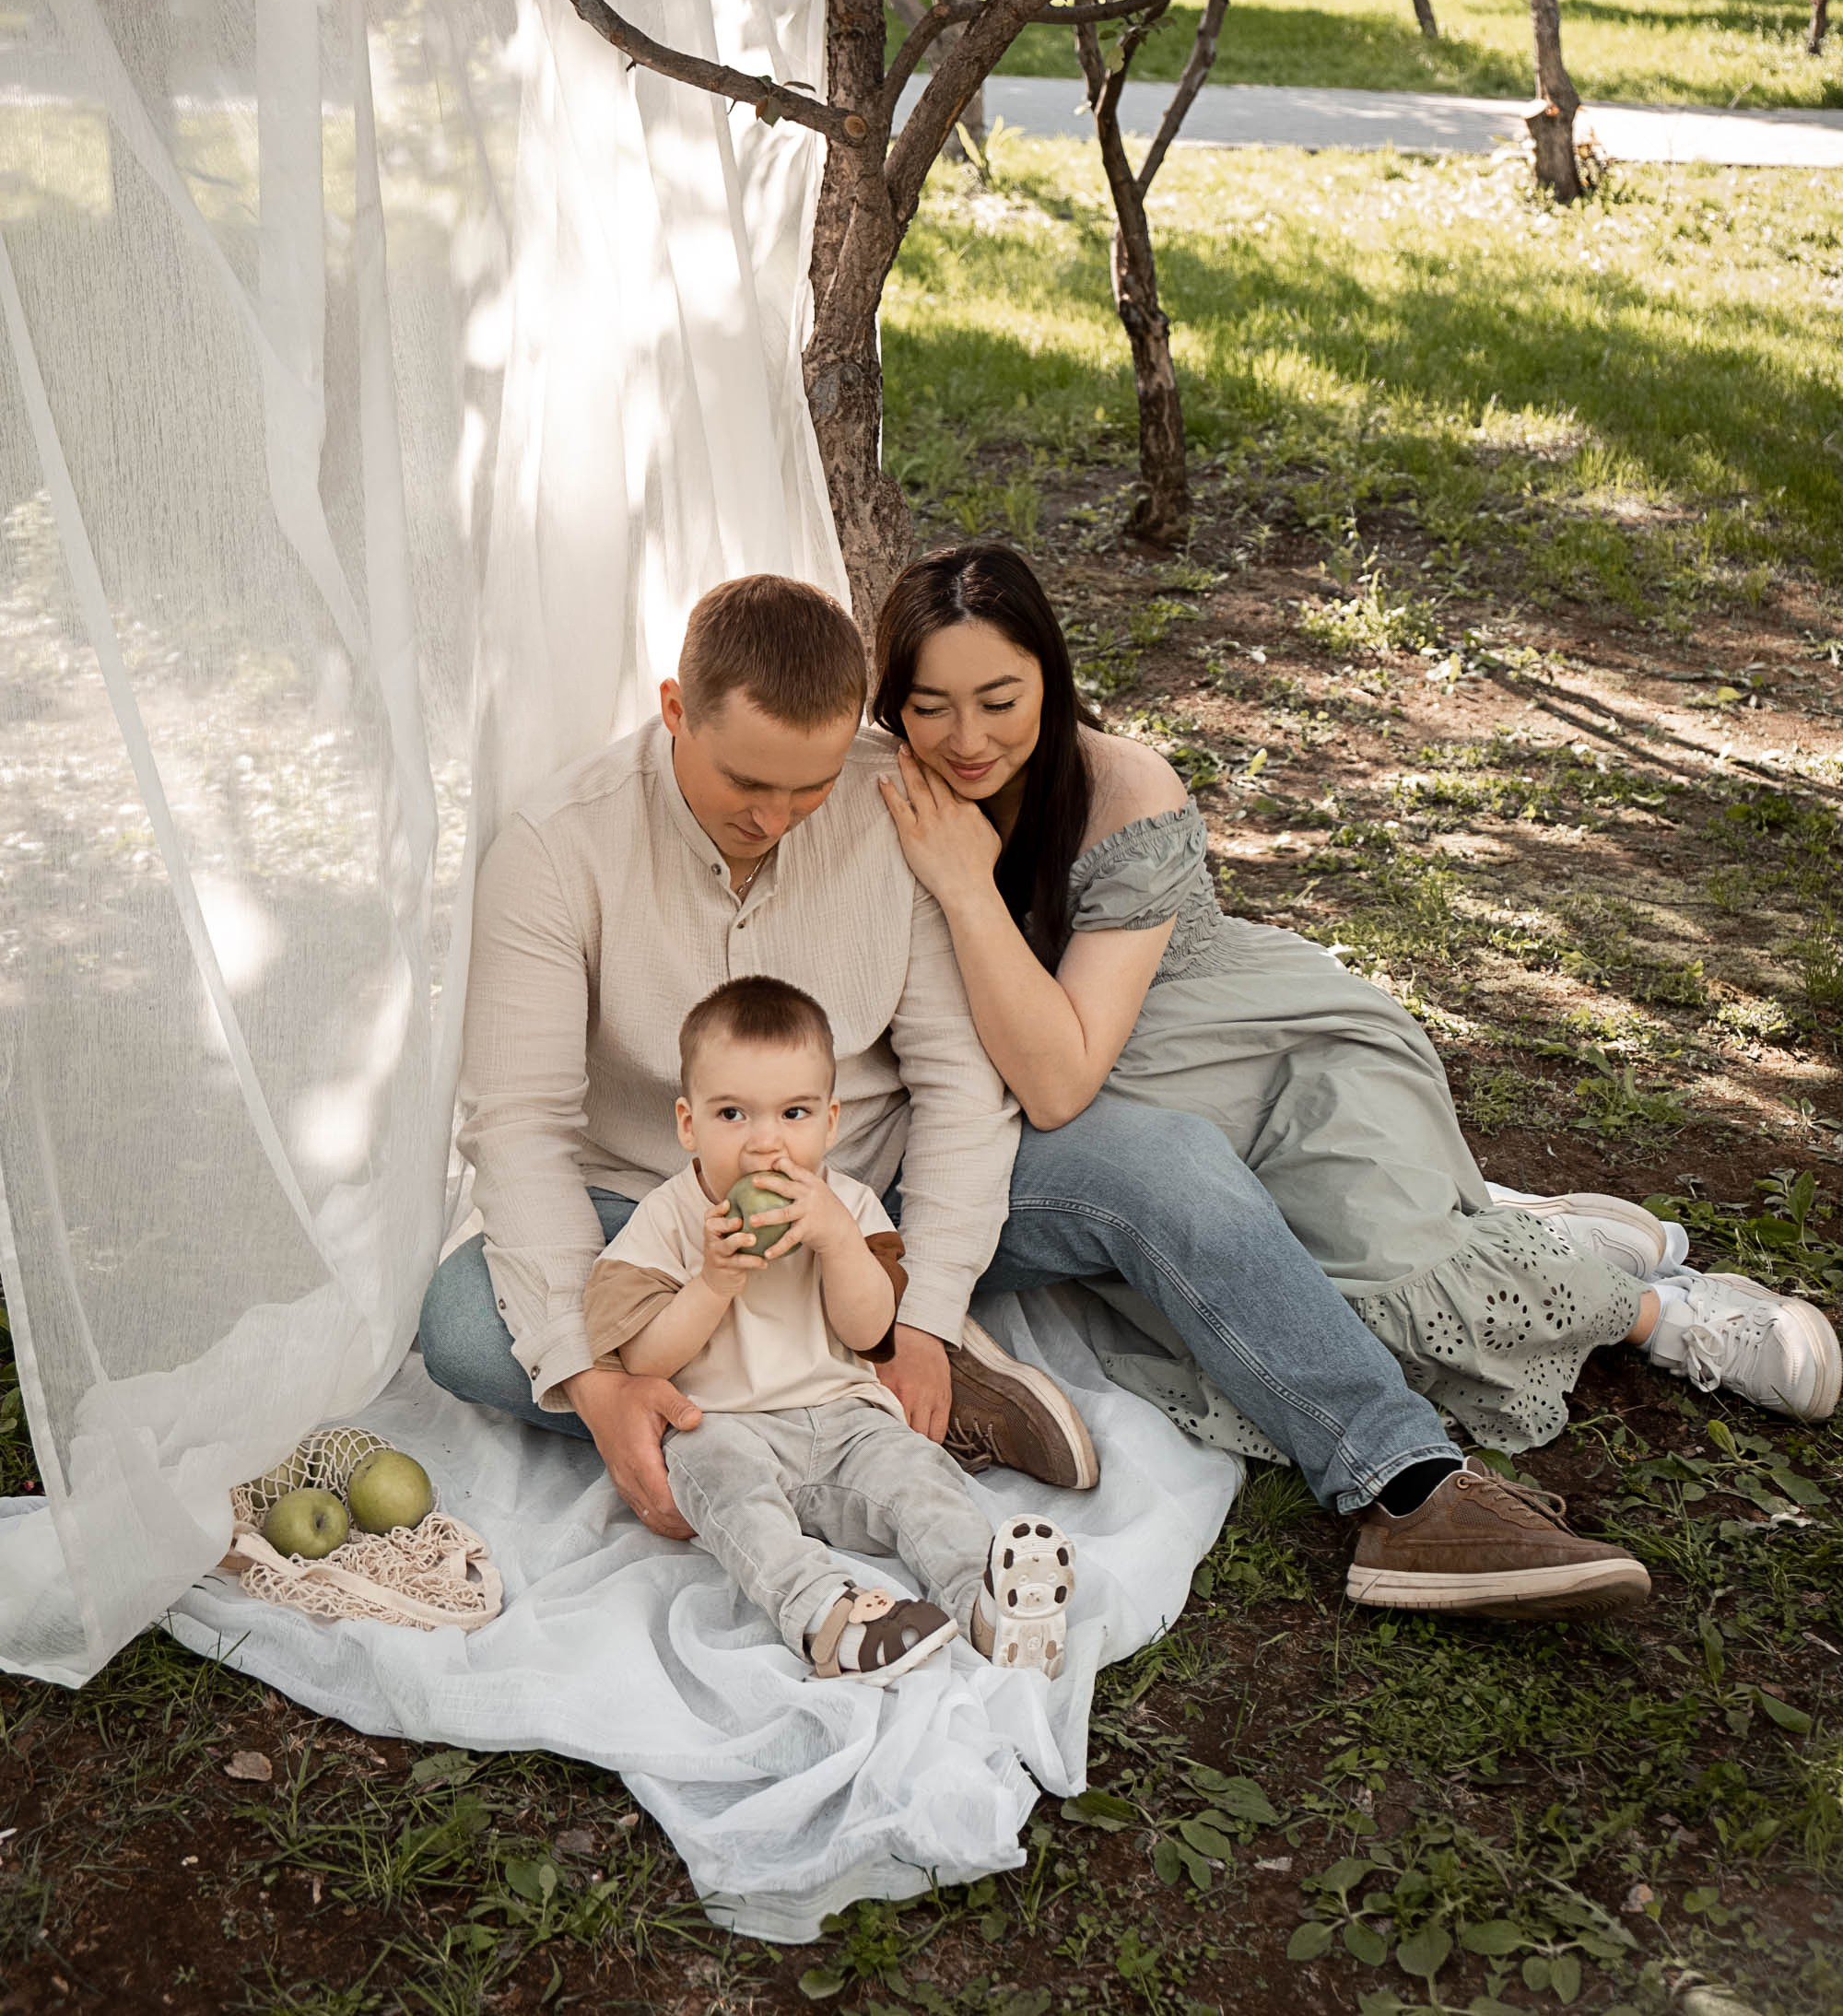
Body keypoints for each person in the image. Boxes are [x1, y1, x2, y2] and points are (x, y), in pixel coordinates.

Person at [420, 568, 1655, 1621]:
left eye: (808, 786)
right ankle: (835, 1404)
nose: (779, 818)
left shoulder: (887, 797)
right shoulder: (556, 848)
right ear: (675, 710)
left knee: (1163, 1165)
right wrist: (596, 1378)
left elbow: (962, 1087)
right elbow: (519, 1129)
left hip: (882, 1180)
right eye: (748, 782)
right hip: (660, 1199)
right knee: (471, 1326)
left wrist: (925, 1315)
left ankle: (1410, 1489)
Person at [871, 542, 1841, 1476]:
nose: (967, 740)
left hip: (1251, 1052)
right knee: (1289, 1306)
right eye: (930, 708)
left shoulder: (1121, 786)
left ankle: (1656, 1316)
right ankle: (1528, 1231)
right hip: (1125, 1120)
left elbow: (1055, 1081)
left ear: (1050, 676)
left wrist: (963, 887)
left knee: (1400, 1288)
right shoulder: (887, 791)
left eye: (1000, 701)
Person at [582, 972, 1076, 1682]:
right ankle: (829, 1617)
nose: (764, 1145)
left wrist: (839, 1242)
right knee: (725, 1491)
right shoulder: (666, 1218)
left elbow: (873, 1330)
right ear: (687, 1123)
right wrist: (713, 1281)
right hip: (725, 1424)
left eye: (793, 1114)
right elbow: (643, 1358)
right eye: (732, 1116)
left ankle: (984, 1602)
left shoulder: (848, 1204)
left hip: (846, 1420)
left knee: (921, 1479)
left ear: (831, 1121)